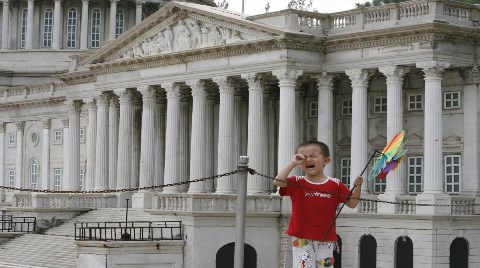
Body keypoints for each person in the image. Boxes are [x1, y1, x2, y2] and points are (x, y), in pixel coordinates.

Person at [274, 141, 363, 268]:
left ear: (326, 161)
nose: (308, 159)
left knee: (325, 267)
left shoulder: (335, 184)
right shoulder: (296, 181)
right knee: (304, 266)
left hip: (325, 236)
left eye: (313, 156)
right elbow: (278, 182)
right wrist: (293, 163)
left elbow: (352, 203)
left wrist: (358, 187)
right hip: (301, 236)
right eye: (303, 157)